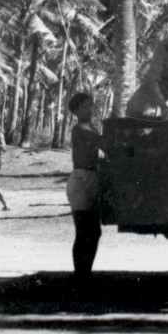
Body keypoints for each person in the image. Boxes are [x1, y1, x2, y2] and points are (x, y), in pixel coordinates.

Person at [67, 92, 104, 281]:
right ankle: (80, 275)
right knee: (83, 231)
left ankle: (84, 274)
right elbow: (104, 144)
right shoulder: (81, 128)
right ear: (78, 109)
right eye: (86, 106)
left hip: (90, 178)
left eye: (91, 105)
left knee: (94, 231)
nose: (90, 109)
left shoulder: (90, 127)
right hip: (82, 180)